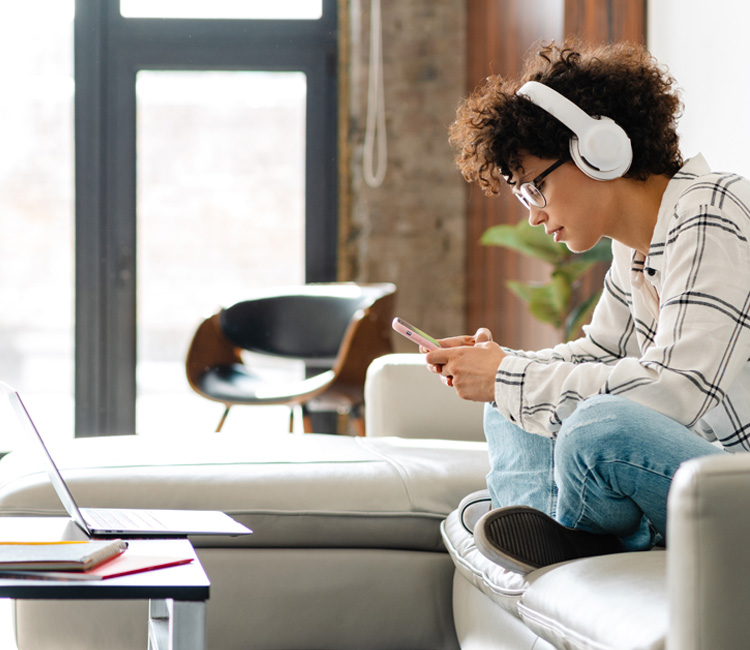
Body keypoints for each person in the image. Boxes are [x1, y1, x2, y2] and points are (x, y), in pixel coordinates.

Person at [424, 39, 750, 575]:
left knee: (597, 429)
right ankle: (554, 538)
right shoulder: (637, 246)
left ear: (598, 149)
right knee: (510, 402)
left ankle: (573, 538)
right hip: (700, 473)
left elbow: (676, 391)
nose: (534, 214)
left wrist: (511, 376)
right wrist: (503, 365)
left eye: (538, 187)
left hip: (734, 484)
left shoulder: (710, 211)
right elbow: (601, 351)